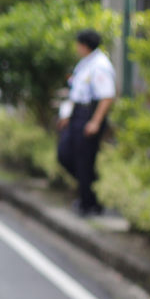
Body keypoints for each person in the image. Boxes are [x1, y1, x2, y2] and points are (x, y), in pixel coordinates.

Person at [57, 29, 116, 216]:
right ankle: (89, 192)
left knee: (84, 161)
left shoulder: (100, 65)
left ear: (84, 45)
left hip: (89, 115)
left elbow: (106, 97)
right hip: (77, 114)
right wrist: (66, 115)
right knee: (65, 154)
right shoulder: (84, 64)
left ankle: (89, 203)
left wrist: (95, 122)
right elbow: (75, 92)